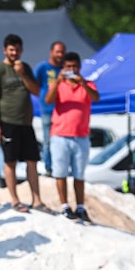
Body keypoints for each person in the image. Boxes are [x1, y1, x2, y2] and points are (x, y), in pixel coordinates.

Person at [0, 33, 46, 213]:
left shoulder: (26, 67)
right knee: (10, 161)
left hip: (26, 122)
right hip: (8, 121)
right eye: (11, 50)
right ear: (5, 50)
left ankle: (36, 200)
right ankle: (14, 199)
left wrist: (23, 74)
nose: (14, 53)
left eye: (17, 49)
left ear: (22, 50)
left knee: (32, 160)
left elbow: (36, 91)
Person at [45, 51, 100, 223]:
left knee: (79, 174)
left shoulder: (88, 84)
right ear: (63, 68)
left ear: (79, 67)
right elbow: (48, 100)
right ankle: (64, 206)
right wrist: (58, 81)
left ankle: (80, 207)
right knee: (60, 173)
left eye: (74, 67)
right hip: (60, 135)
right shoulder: (58, 84)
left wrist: (82, 83)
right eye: (68, 67)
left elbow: (96, 98)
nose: (71, 70)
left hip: (81, 136)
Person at [34, 41, 66, 177]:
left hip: (63, 109)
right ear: (51, 52)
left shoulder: (65, 68)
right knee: (48, 140)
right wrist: (42, 96)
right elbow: (34, 84)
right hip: (48, 108)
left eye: (62, 52)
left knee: (63, 140)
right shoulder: (42, 67)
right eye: (57, 52)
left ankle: (61, 167)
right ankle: (49, 167)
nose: (60, 55)